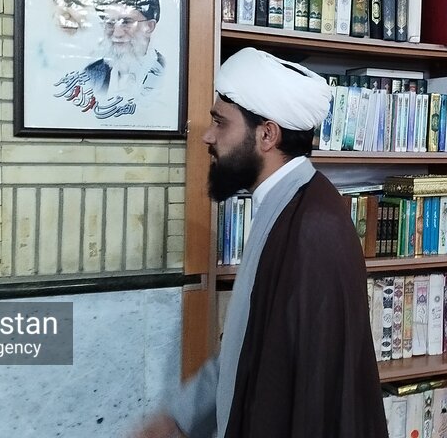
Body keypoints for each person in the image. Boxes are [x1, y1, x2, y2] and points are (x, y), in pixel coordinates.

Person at [131, 47, 388, 438]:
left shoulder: (313, 227)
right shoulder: (283, 204)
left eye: (221, 123)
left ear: (267, 135)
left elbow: (314, 397)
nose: (208, 136)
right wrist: (180, 419)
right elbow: (245, 347)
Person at [79, 0, 166, 100]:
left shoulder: (168, 75)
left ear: (149, 26)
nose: (117, 33)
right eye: (110, 23)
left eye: (126, 22)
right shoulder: (91, 74)